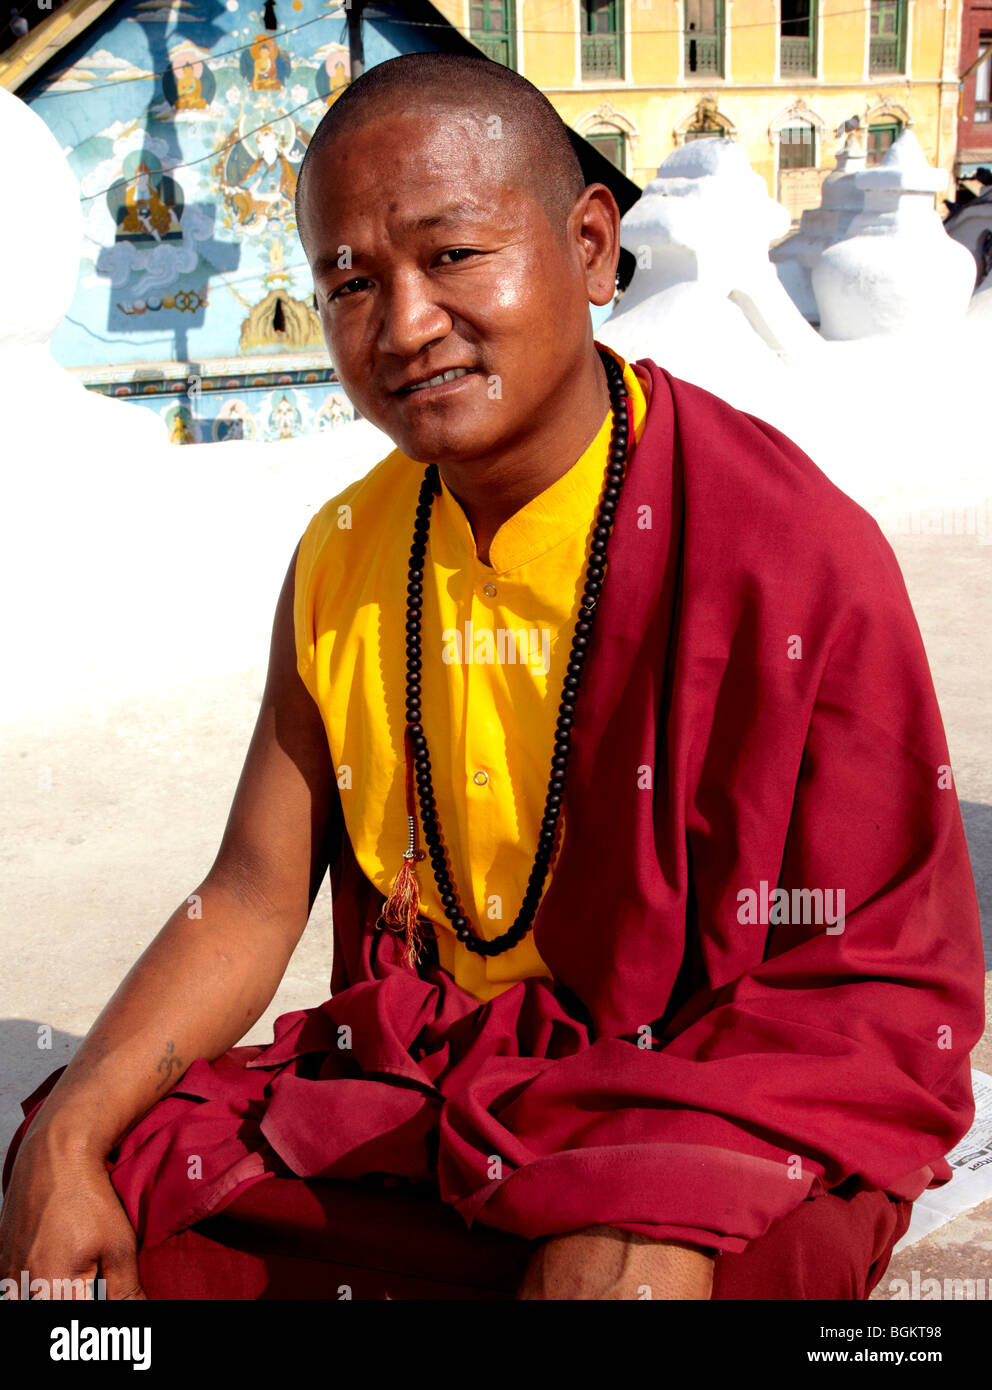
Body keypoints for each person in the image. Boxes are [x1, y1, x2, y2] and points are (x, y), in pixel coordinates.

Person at [0, 52, 985, 1302]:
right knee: (119, 1191)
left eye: (452, 255)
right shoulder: (349, 551)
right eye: (350, 280)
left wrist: (647, 1189)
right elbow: (250, 896)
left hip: (702, 1080)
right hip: (439, 1080)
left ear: (587, 245)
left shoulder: (783, 547)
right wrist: (72, 1129)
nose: (403, 324)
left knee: (644, 1258)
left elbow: (875, 978)